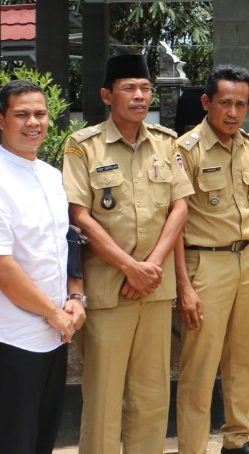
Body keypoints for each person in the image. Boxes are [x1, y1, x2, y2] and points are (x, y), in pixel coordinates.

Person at [62, 53, 192, 454]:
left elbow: (180, 207)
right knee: (103, 398)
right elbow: (79, 215)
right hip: (108, 292)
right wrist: (128, 267)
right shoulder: (83, 147)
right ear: (107, 95)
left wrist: (149, 267)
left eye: (145, 88)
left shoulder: (166, 143)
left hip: (154, 287)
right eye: (129, 88)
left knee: (152, 396)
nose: (140, 96)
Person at [0, 80, 86, 454]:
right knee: (12, 444)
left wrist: (75, 297)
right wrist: (53, 312)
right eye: (22, 115)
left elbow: (67, 243)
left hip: (51, 332)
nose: (33, 122)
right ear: (1, 120)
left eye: (40, 114)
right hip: (7, 336)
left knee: (41, 441)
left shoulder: (49, 175)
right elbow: (0, 267)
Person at [173, 65, 249, 454]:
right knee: (200, 365)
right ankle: (192, 446)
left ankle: (237, 439)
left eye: (241, 104)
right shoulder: (185, 150)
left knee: (245, 359)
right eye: (225, 103)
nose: (232, 112)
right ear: (207, 102)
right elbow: (173, 222)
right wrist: (183, 286)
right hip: (204, 265)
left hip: (246, 259)